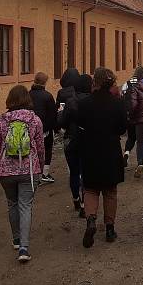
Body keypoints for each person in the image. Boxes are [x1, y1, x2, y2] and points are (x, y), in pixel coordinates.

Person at [0, 85, 45, 263]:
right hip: (29, 169)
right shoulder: (34, 120)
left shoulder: (1, 121)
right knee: (25, 206)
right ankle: (24, 247)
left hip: (6, 171)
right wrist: (41, 167)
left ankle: (16, 239)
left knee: (12, 203)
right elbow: (40, 147)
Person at [77, 68, 127, 248]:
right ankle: (110, 228)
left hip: (90, 150)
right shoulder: (118, 104)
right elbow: (123, 128)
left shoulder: (84, 104)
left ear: (94, 83)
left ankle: (91, 219)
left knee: (90, 189)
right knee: (110, 191)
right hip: (110, 150)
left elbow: (79, 124)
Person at [57, 73, 92, 216]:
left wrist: (61, 114)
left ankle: (76, 199)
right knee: (86, 172)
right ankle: (85, 203)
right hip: (88, 140)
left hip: (71, 140)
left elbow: (61, 122)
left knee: (74, 172)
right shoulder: (91, 101)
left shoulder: (71, 101)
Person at [30, 72, 57, 184]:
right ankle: (44, 173)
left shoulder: (28, 94)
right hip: (44, 129)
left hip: (30, 129)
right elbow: (52, 115)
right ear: (45, 82)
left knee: (33, 150)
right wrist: (53, 128)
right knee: (47, 149)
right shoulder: (48, 96)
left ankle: (33, 172)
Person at [121, 67, 143, 166]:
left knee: (131, 137)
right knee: (142, 139)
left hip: (130, 115)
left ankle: (126, 153)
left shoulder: (127, 83)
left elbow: (122, 96)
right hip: (141, 115)